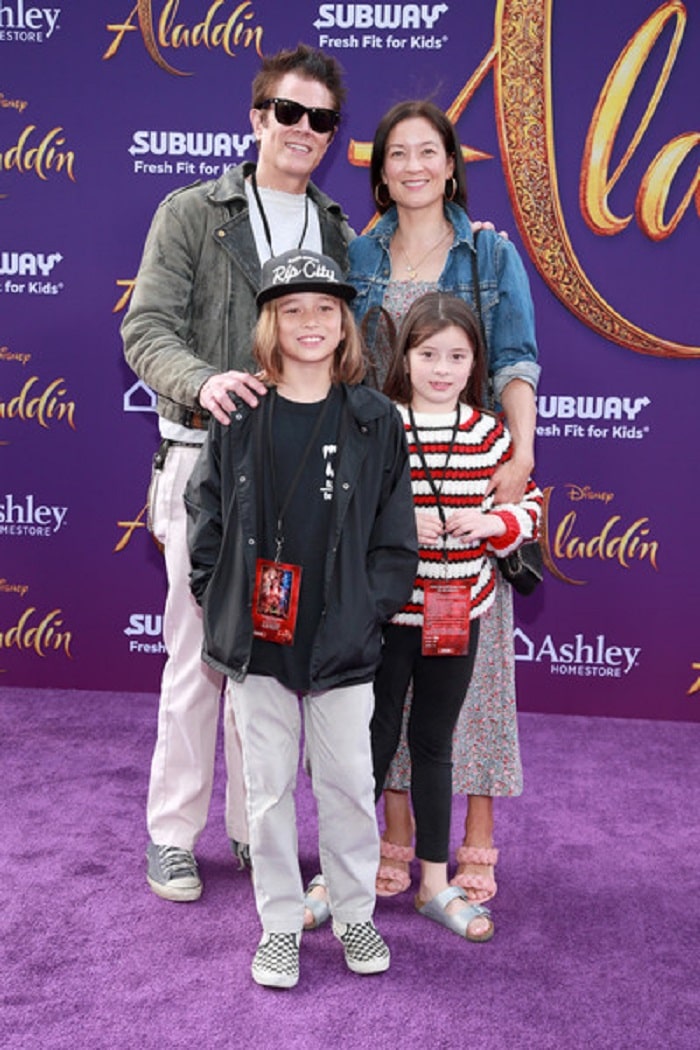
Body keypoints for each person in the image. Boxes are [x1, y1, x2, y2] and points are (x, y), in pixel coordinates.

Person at [121, 44, 354, 902]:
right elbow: (145, 331)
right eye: (287, 113)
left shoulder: (336, 227)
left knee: (269, 665)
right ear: (258, 118)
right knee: (200, 661)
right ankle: (172, 835)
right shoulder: (191, 212)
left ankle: (259, 828)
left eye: (319, 120)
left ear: (332, 135)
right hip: (203, 466)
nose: (301, 130)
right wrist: (203, 381)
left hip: (298, 475)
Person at [184, 248, 418, 988]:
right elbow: (206, 515)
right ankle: (280, 923)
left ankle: (352, 915)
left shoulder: (376, 420)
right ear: (270, 324)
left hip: (344, 641)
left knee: (350, 785)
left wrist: (366, 615)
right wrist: (217, 595)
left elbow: (395, 538)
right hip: (258, 643)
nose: (309, 323)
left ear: (344, 322)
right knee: (267, 789)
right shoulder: (238, 412)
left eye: (324, 309)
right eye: (292, 310)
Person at [347, 100, 541, 907]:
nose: (415, 166)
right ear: (381, 169)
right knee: (386, 672)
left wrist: (521, 455)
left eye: (429, 152)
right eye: (399, 154)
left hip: (469, 473)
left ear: (452, 163)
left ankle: (478, 838)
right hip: (386, 469)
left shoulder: (488, 251)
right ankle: (394, 834)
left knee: (473, 670)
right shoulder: (356, 252)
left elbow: (516, 359)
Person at [371, 290, 541, 940]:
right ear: (405, 357)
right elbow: (347, 508)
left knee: (435, 746)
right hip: (387, 619)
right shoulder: (381, 425)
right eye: (428, 354)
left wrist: (493, 521)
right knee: (373, 742)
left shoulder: (492, 434)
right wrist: (398, 522)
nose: (441, 368)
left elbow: (531, 513)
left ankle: (434, 883)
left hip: (458, 617)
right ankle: (348, 865)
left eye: (457, 356)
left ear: (475, 364)